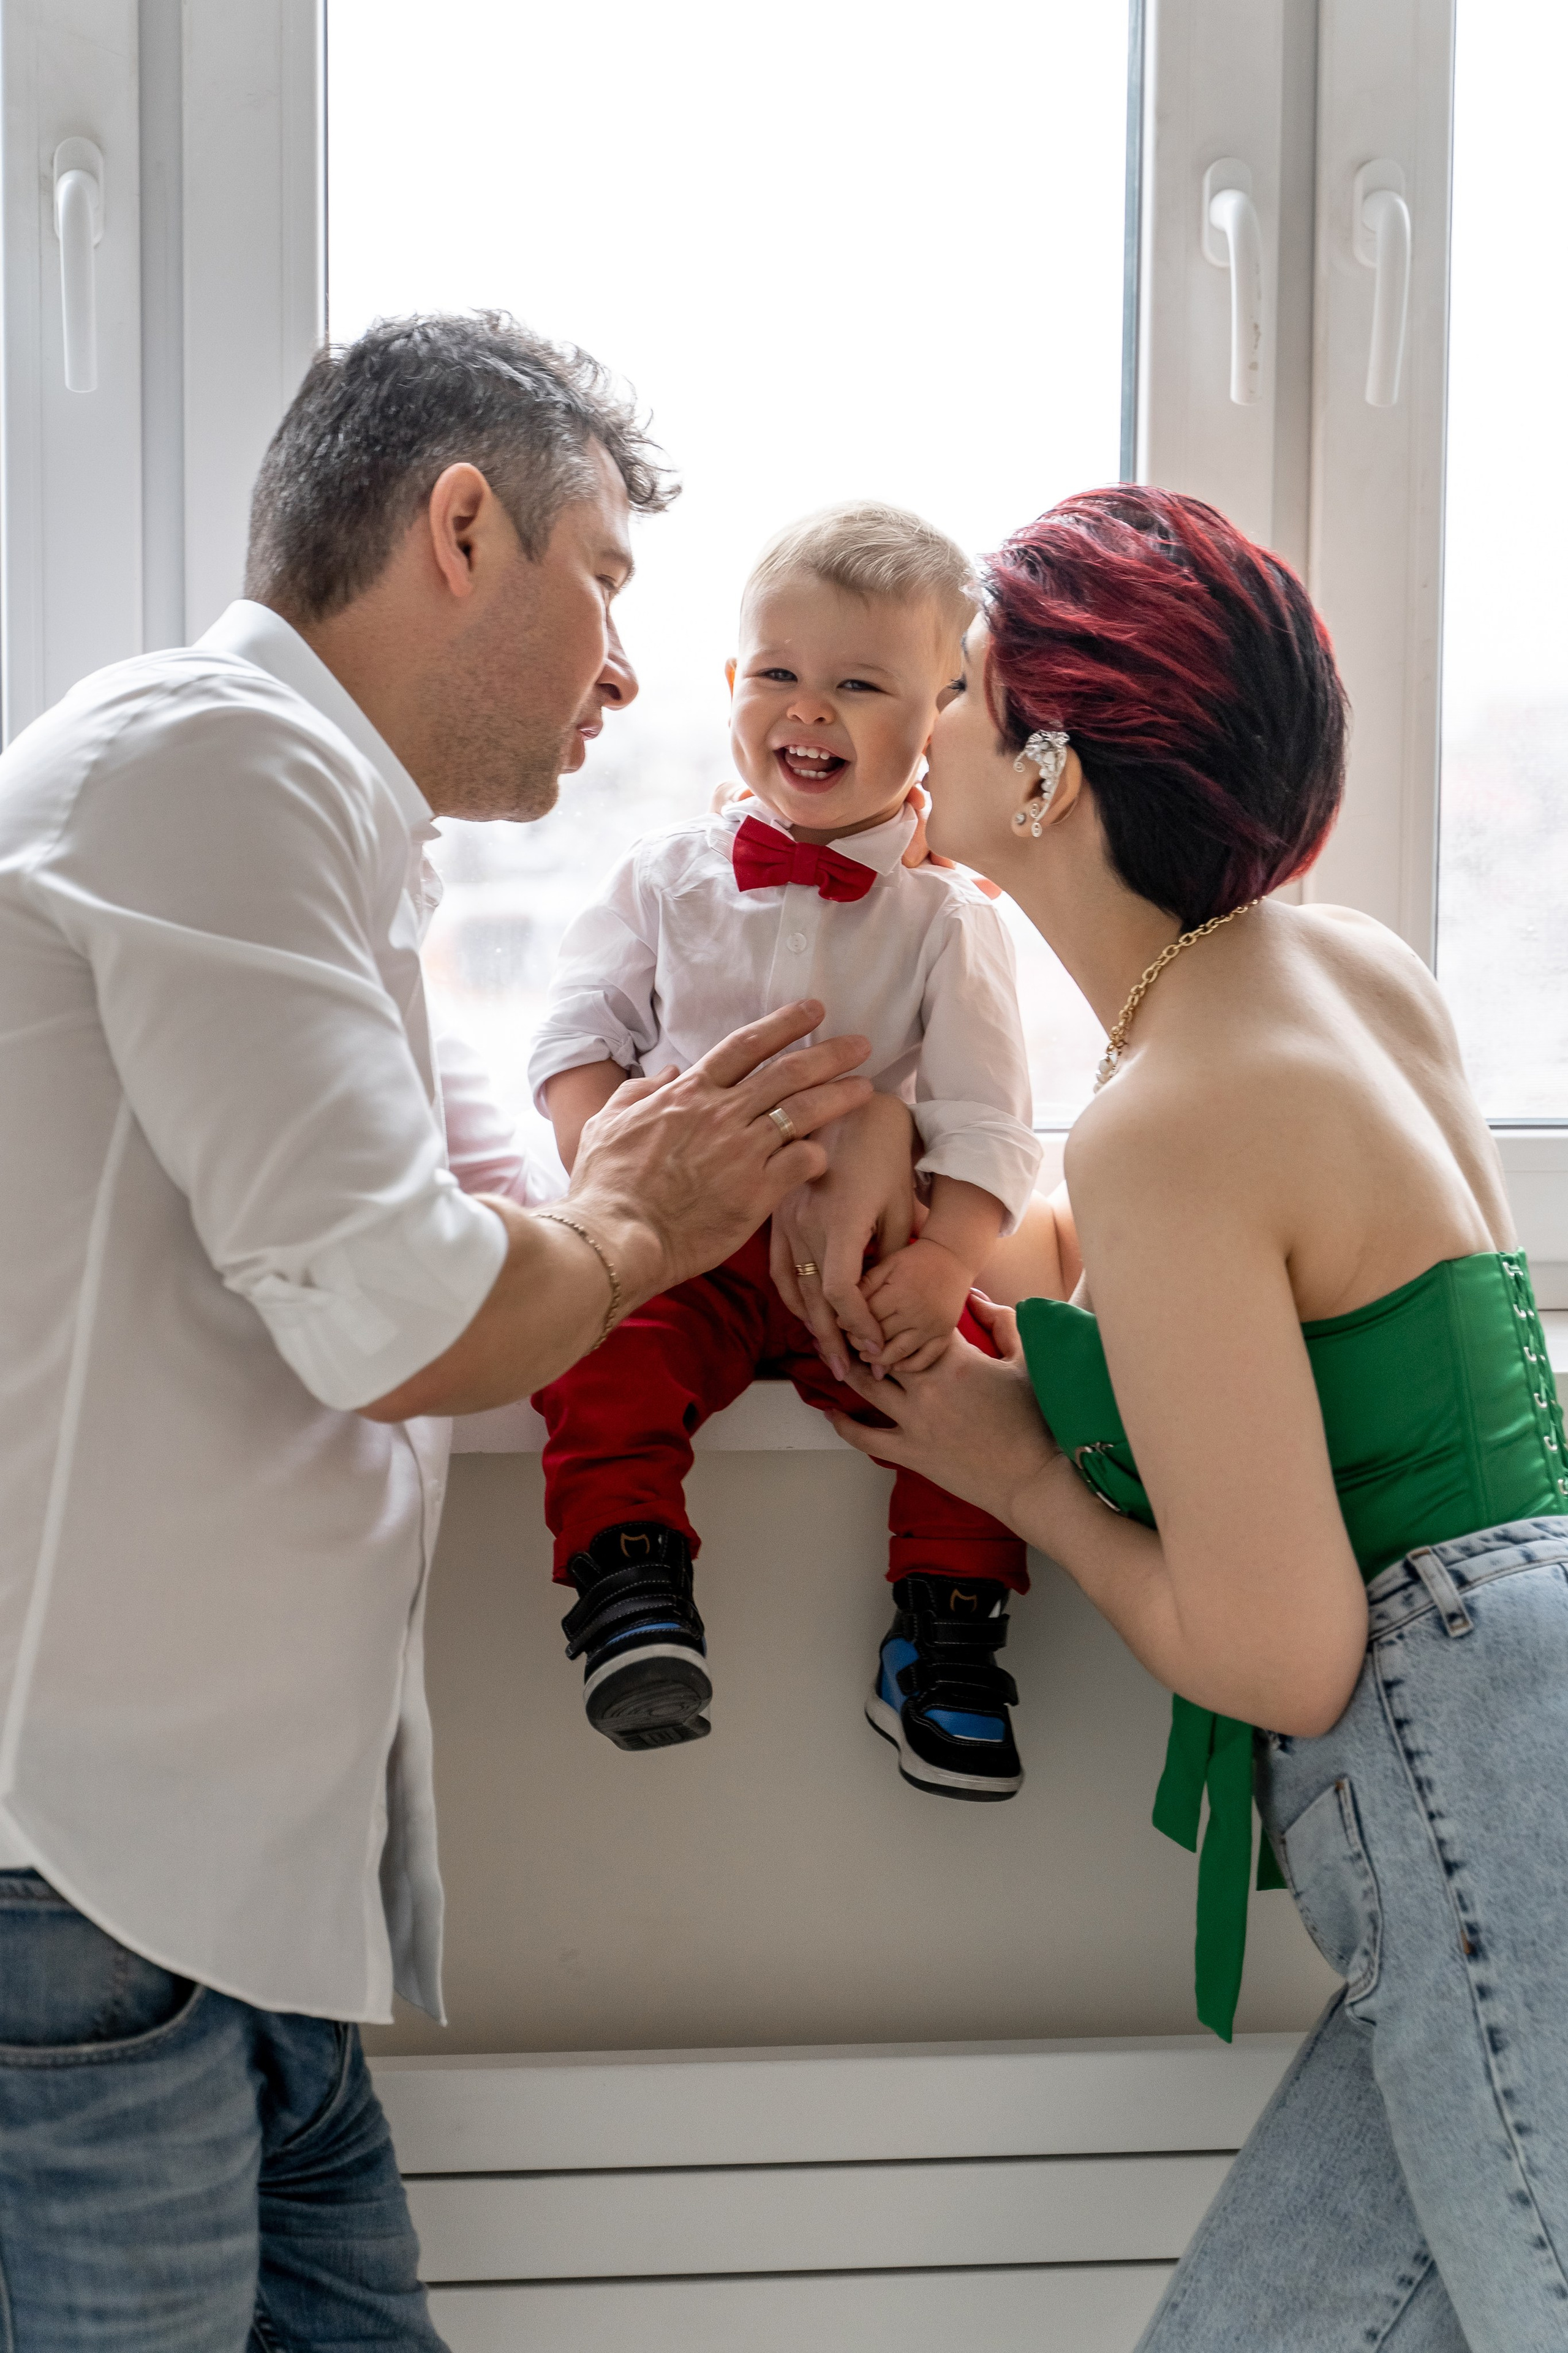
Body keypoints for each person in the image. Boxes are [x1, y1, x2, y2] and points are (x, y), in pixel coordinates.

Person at [0, 312, 876, 2350]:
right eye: (608, 582)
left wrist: (657, 1217)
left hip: (216, 1895)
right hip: (78, 1884)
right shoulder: (207, 767)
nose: (637, 673)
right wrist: (642, 1215)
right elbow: (416, 1312)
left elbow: (503, 1226)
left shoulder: (321, 833)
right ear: (461, 528)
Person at [824, 485, 1568, 2349]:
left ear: (1054, 776)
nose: (931, 723)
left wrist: (1019, 1473)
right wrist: (948, 1228)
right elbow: (1175, 1264)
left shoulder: (1176, 1106)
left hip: (1480, 1763)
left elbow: (1284, 1652)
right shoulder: (1333, 976)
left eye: (970, 688)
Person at [528, 504, 1044, 1798]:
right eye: (778, 674)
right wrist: (610, 1170)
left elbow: (990, 1122)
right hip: (683, 1246)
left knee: (966, 1388)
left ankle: (944, 1637)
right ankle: (630, 1587)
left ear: (936, 717)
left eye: (857, 685)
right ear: (729, 687)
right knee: (591, 1347)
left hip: (862, 1260)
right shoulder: (661, 877)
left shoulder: (947, 919)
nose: (806, 710)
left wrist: (938, 1265)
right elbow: (573, 1035)